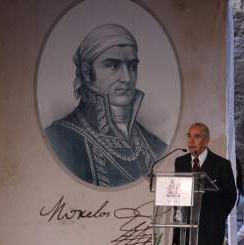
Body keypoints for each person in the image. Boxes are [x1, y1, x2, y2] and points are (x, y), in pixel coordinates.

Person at [44, 23, 167, 187]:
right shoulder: (58, 138)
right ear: (87, 73)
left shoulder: (156, 146)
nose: (127, 78)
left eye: (132, 67)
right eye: (114, 66)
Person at [172, 123, 236, 245]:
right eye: (189, 136)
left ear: (206, 140)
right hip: (185, 228)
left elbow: (230, 197)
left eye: (196, 136)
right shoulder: (181, 162)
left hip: (208, 231)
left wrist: (216, 218)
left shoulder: (221, 165)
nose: (191, 141)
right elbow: (176, 192)